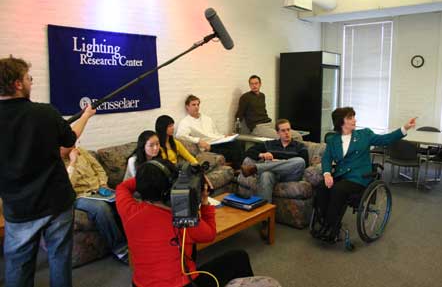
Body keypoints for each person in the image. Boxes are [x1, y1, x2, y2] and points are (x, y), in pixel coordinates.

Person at [0, 56, 96, 287]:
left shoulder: (43, 114)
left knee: (18, 266)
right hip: (56, 203)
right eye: (28, 78)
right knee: (59, 259)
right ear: (17, 84)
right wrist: (85, 117)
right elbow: (70, 140)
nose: (30, 82)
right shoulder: (44, 113)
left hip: (18, 208)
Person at [115, 158, 254, 287]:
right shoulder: (183, 218)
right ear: (170, 186)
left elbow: (122, 187)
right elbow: (210, 234)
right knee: (239, 257)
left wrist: (147, 179)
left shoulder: (128, 211)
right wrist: (205, 202)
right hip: (181, 285)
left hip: (139, 284)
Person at [313, 107, 416, 243]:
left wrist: (405, 128)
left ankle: (332, 227)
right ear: (341, 122)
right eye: (350, 117)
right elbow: (326, 158)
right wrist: (327, 174)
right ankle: (325, 222)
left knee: (338, 190)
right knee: (321, 187)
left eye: (354, 117)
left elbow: (385, 139)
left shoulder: (364, 135)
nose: (355, 120)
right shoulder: (333, 139)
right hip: (340, 175)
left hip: (359, 177)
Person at [61, 146, 128, 264]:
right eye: (69, 144)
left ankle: (134, 240)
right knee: (101, 208)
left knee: (124, 199)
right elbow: (66, 187)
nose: (74, 146)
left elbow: (99, 169)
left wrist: (102, 183)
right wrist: (73, 162)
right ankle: (120, 248)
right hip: (80, 195)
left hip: (98, 189)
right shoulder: (56, 162)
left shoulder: (82, 151)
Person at [240, 119, 308, 203]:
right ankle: (264, 212)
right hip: (274, 174)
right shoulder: (270, 144)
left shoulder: (300, 146)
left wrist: (280, 162)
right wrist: (262, 155)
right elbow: (249, 151)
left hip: (290, 175)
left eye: (288, 130)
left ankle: (256, 168)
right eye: (283, 130)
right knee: (265, 175)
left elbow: (304, 163)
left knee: (300, 161)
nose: (287, 133)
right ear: (277, 133)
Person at [176, 94, 244, 169]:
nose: (196, 107)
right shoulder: (186, 122)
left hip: (218, 141)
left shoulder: (207, 118)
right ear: (187, 107)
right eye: (193, 105)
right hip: (208, 146)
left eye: (198, 104)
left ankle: (239, 168)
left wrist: (224, 136)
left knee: (237, 143)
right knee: (233, 150)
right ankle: (239, 169)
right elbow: (179, 135)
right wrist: (198, 140)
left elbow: (215, 133)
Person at [235, 75, 302, 140]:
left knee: (297, 136)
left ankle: (296, 151)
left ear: (260, 84)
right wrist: (236, 130)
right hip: (258, 127)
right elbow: (239, 115)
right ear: (249, 85)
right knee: (281, 136)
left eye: (256, 83)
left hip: (269, 124)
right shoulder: (245, 97)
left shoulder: (262, 96)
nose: (254, 86)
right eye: (251, 84)